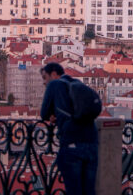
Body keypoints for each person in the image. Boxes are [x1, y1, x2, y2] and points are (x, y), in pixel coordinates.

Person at [39, 63, 98, 195]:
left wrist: (53, 115)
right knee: (89, 191)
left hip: (72, 143)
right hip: (92, 143)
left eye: (45, 77)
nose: (44, 82)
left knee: (74, 190)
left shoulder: (54, 85)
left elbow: (43, 114)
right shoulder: (77, 83)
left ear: (54, 74)